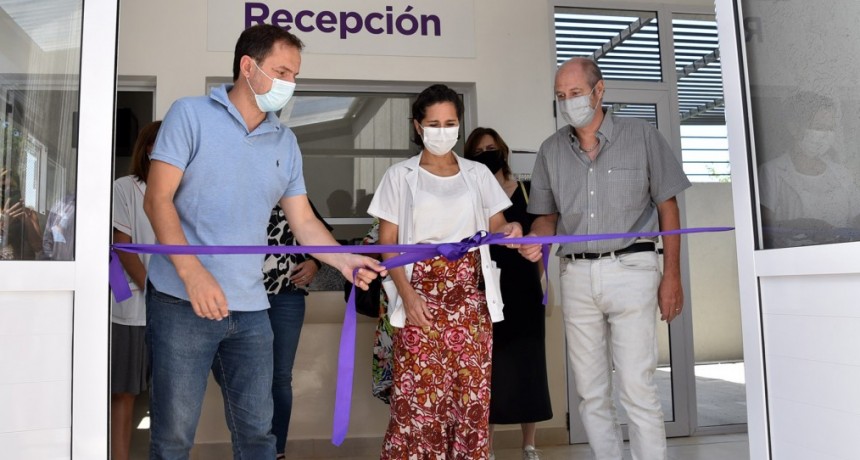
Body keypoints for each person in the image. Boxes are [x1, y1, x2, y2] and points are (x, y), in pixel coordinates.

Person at [143, 24, 383, 459]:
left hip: (252, 309)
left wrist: (345, 260)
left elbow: (304, 220)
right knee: (174, 437)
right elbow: (157, 200)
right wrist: (192, 273)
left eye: (295, 75)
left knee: (258, 435)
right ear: (247, 67)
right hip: (180, 301)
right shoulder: (190, 114)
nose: (289, 84)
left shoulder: (286, 142)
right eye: (282, 71)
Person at [519, 57, 691, 460]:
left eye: (576, 93)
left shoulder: (643, 136)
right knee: (591, 393)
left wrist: (672, 276)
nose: (569, 103)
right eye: (561, 97)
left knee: (636, 386)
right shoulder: (550, 150)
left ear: (600, 91)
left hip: (634, 269)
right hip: (576, 274)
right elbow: (546, 218)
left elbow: (669, 209)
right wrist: (533, 240)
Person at [368, 83, 523, 459]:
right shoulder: (399, 176)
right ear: (418, 126)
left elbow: (498, 226)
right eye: (433, 123)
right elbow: (388, 243)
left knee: (469, 399)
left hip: (471, 301)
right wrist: (406, 293)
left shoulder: (477, 175)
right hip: (419, 296)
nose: (442, 130)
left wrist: (513, 231)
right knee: (419, 401)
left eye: (450, 122)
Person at [464, 127, 552, 460]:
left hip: (524, 286)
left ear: (503, 151)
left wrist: (537, 275)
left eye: (492, 148)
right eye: (479, 150)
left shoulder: (527, 191)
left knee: (528, 362)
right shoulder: (470, 195)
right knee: (490, 366)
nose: (487, 153)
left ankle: (529, 444)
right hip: (484, 287)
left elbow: (542, 235)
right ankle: (485, 446)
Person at [110, 120, 161, 460]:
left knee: (166, 394)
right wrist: (152, 289)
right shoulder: (125, 188)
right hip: (132, 304)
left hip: (172, 307)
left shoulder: (182, 191)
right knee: (125, 391)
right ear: (148, 150)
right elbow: (122, 247)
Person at [263, 201, 330, 460]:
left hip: (287, 297)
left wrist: (314, 262)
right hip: (244, 295)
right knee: (248, 377)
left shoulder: (291, 194)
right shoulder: (240, 187)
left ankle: (277, 450)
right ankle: (253, 448)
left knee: (279, 376)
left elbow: (320, 236)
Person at [758, 91, 860, 247]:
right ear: (794, 128)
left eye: (830, 128)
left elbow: (856, 217)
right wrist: (800, 225)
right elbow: (763, 229)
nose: (826, 135)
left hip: (842, 259)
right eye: (819, 127)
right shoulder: (772, 172)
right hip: (796, 262)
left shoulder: (842, 174)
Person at [0, 168, 42, 260]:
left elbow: (38, 247)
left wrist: (26, 219)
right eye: (4, 189)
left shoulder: (29, 213)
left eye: (12, 189)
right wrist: (4, 225)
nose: (8, 193)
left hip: (25, 269)